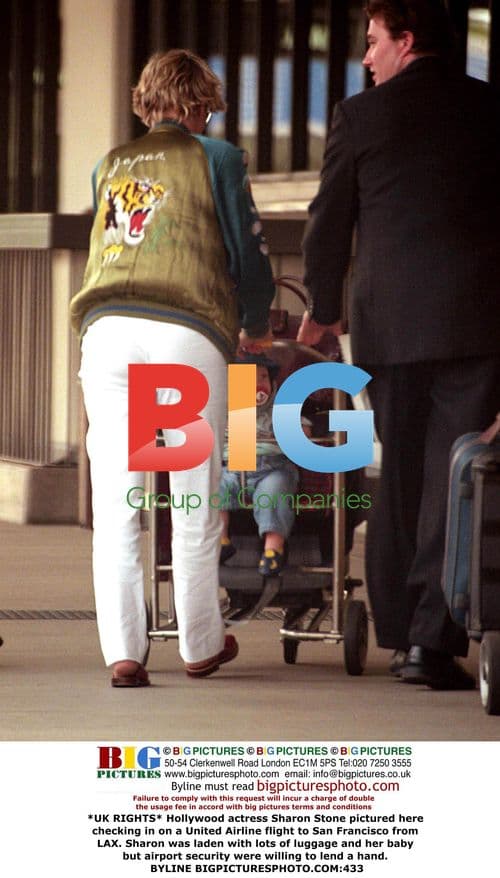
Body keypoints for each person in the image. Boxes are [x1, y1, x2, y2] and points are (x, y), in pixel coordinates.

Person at [297, 0, 500, 689]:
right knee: (458, 473)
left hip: (389, 324)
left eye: (373, 41)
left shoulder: (361, 117)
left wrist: (323, 310)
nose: (365, 56)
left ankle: (401, 629)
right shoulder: (487, 109)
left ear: (406, 41)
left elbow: (328, 223)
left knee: (402, 476)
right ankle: (431, 642)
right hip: (476, 323)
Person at [70, 49, 275, 686]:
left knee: (119, 500)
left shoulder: (109, 164)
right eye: (207, 107)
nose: (209, 118)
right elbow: (246, 252)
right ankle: (200, 645)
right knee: (192, 494)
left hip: (106, 334)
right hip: (184, 332)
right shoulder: (219, 160)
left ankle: (124, 654)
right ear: (195, 105)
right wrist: (257, 324)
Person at [219, 353, 305, 576]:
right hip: (233, 467)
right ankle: (220, 540)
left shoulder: (279, 408)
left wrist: (296, 432)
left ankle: (273, 550)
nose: (259, 383)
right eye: (249, 379)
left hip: (273, 469)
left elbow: (305, 429)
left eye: (264, 377)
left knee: (273, 495)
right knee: (214, 487)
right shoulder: (226, 410)